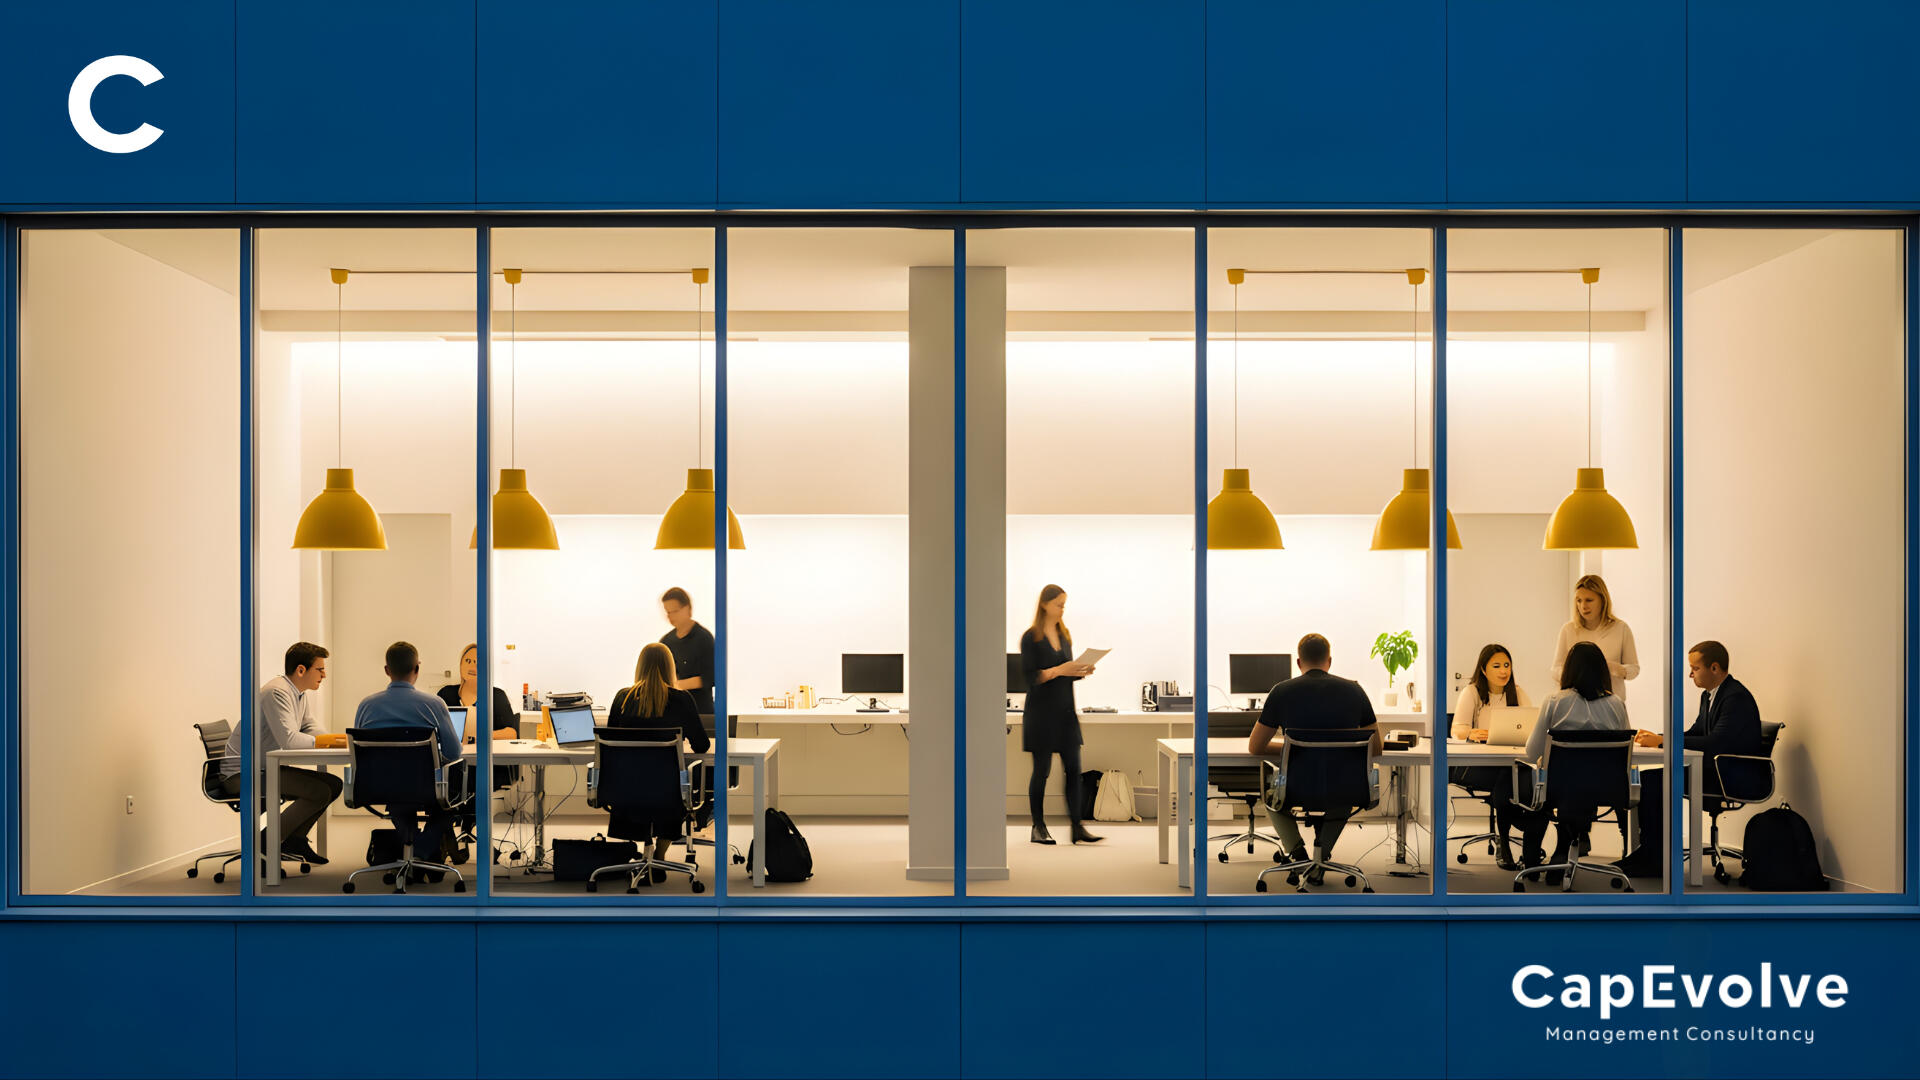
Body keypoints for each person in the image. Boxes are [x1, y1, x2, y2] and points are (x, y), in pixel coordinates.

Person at [1615, 640, 1764, 878]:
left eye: (1695, 668)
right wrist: (1659, 737)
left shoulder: (1735, 697)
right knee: (1649, 779)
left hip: (1731, 776)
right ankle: (1651, 852)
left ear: (1714, 668)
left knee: (1655, 781)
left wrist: (1663, 742)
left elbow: (1716, 742)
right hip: (1717, 770)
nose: (1690, 673)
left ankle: (1655, 857)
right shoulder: (1710, 695)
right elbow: (1696, 733)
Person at [1247, 633, 1381, 882]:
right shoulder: (1354, 690)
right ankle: (1320, 859)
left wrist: (1296, 748)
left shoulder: (1281, 691)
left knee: (1269, 791)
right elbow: (1377, 747)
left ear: (1299, 662)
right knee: (1342, 797)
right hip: (1345, 787)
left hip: (1295, 788)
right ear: (1329, 660)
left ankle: (1299, 856)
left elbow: (1256, 747)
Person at [218, 642, 343, 865]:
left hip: (265, 767)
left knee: (333, 784)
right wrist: (324, 742)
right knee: (318, 791)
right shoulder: (276, 692)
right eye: (320, 669)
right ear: (301, 670)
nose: (324, 675)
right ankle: (264, 843)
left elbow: (308, 727)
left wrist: (333, 742)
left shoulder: (298, 693)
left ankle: (294, 839)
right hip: (243, 774)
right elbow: (290, 740)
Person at [1520, 641, 1630, 885]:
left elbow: (1531, 752)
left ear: (1568, 670)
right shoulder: (1617, 705)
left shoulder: (1555, 701)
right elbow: (1623, 752)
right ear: (1602, 671)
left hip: (1558, 788)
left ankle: (1534, 857)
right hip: (1605, 789)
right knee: (1581, 788)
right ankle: (1564, 849)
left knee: (1534, 786)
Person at [352, 641, 466, 875]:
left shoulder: (367, 706)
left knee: (398, 797)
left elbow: (358, 752)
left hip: (380, 786)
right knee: (449, 802)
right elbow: (454, 753)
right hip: (426, 785)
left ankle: (411, 851)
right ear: (417, 668)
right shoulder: (433, 704)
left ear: (387, 670)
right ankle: (422, 850)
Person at [607, 642, 712, 882]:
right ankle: (660, 856)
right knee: (670, 790)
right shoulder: (682, 699)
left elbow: (611, 741)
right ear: (670, 668)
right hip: (668, 791)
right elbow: (702, 746)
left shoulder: (623, 698)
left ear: (639, 667)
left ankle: (646, 851)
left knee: (645, 793)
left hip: (626, 788)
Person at [1019, 584, 1101, 845]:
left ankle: (1077, 827)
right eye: (1059, 604)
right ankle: (1038, 827)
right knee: (1041, 771)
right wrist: (1059, 669)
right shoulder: (1030, 638)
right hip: (1041, 715)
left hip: (1066, 713)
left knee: (1073, 770)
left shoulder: (1064, 636)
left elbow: (1066, 674)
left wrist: (1080, 671)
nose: (1063, 609)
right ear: (1045, 604)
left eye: (1064, 604)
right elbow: (1031, 677)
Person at [1449, 643, 1538, 870]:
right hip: (1478, 766)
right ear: (1483, 670)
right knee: (1507, 779)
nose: (1503, 671)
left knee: (1513, 776)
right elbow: (1456, 730)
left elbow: (1533, 727)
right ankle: (1507, 841)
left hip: (1512, 764)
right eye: (1496, 665)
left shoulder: (1517, 693)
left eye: (1507, 665)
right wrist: (1470, 732)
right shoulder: (1471, 693)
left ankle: (1507, 839)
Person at [436, 643, 518, 789]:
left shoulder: (496, 696)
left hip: (486, 764)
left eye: (478, 662)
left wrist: (480, 735)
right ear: (460, 665)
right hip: (453, 762)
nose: (472, 666)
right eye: (468, 661)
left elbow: (511, 733)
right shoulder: (445, 694)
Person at [1550, 574, 1640, 701]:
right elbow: (1555, 669)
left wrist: (1613, 668)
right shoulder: (1568, 630)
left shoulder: (1621, 629)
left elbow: (1634, 669)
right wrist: (1573, 674)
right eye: (1579, 600)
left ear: (1603, 600)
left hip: (1611, 705)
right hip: (1575, 705)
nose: (1583, 606)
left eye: (1589, 600)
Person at [659, 587, 716, 716]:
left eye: (675, 611)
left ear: (688, 608)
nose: (670, 616)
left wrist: (675, 685)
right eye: (668, 612)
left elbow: (710, 678)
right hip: (673, 711)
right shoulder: (666, 642)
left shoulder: (704, 638)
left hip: (700, 712)